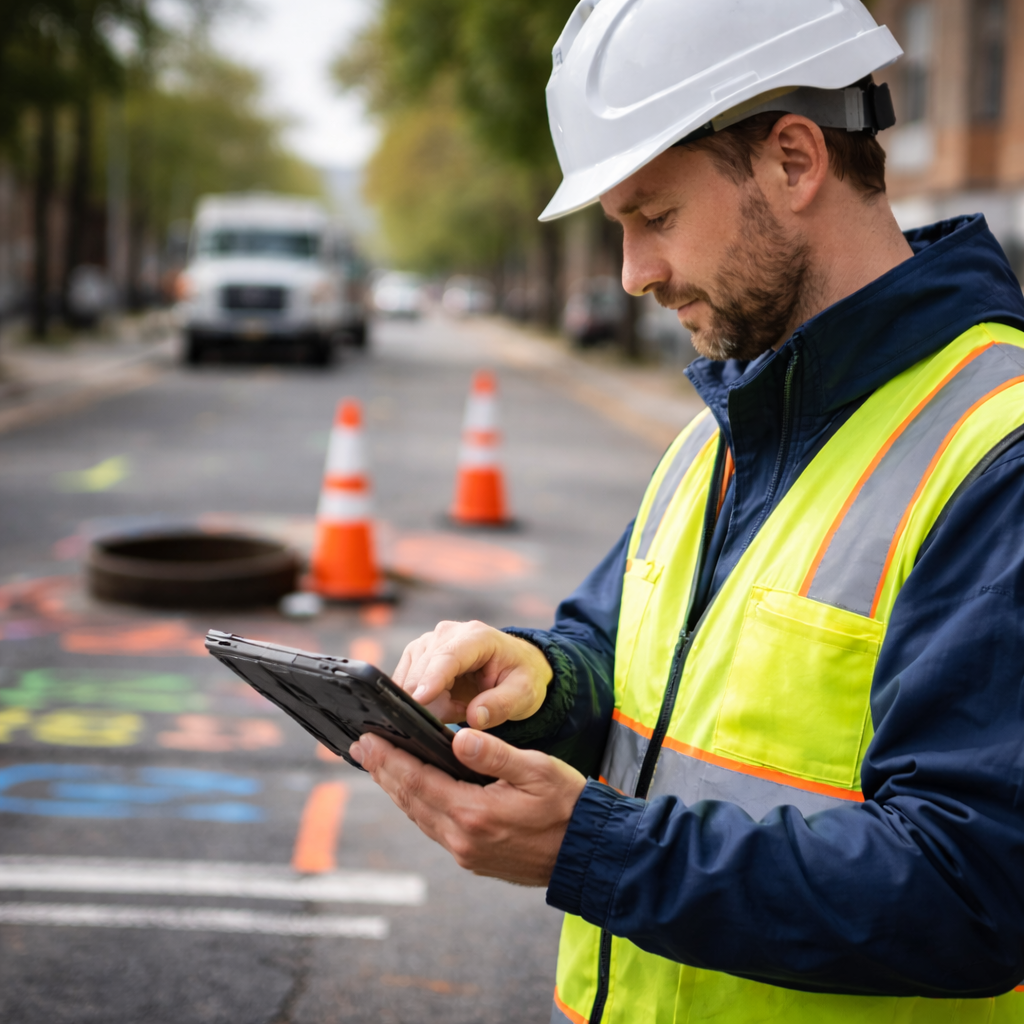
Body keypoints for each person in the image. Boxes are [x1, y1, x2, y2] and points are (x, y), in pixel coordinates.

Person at [349, 2, 1024, 1020]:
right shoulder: (725, 426)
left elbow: (975, 887)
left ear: (794, 161)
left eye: (652, 216)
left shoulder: (995, 451)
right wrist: (538, 683)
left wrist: (594, 849)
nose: (633, 274)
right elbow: (616, 660)